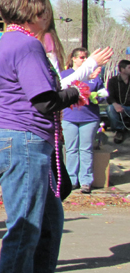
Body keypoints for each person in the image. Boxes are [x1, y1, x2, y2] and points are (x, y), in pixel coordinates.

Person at [0, 0, 84, 273]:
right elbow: (44, 100)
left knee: (49, 222)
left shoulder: (11, 42)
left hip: (21, 139)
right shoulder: (26, 45)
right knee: (26, 226)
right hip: (22, 140)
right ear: (32, 9)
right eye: (43, 4)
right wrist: (76, 93)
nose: (48, 11)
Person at [61, 48, 104, 194]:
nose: (84, 60)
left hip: (89, 118)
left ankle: (86, 181)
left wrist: (97, 96)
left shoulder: (94, 76)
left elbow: (103, 94)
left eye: (86, 57)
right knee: (71, 149)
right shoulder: (65, 75)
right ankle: (71, 180)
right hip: (69, 117)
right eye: (81, 57)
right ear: (73, 59)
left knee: (86, 149)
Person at [106, 60, 130, 143]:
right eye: (129, 68)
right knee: (110, 108)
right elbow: (109, 96)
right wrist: (115, 104)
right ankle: (119, 130)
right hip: (118, 106)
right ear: (122, 69)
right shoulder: (113, 81)